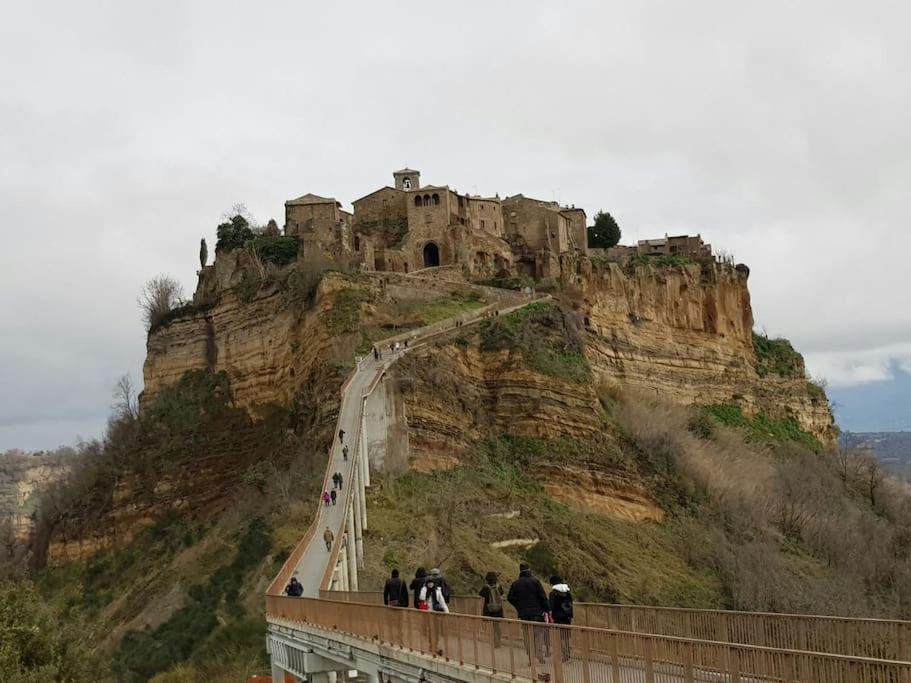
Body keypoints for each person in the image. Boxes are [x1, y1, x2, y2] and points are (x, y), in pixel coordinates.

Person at [507, 563, 550, 664]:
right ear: (529, 570)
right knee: (538, 635)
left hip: (524, 614)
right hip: (537, 613)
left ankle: (531, 658)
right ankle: (539, 655)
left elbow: (510, 597)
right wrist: (547, 609)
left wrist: (518, 606)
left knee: (527, 636)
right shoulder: (535, 581)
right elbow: (542, 597)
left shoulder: (515, 584)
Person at [548, 575, 573, 661]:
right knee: (566, 636)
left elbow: (551, 606)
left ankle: (564, 654)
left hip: (557, 617)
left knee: (559, 636)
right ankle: (568, 653)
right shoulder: (568, 592)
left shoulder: (553, 593)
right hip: (567, 616)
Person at [479, 571, 505, 647]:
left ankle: (494, 641)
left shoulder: (486, 587)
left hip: (489, 609)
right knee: (497, 626)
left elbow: (481, 594)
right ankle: (498, 641)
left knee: (492, 626)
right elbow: (502, 593)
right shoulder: (498, 586)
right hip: (498, 608)